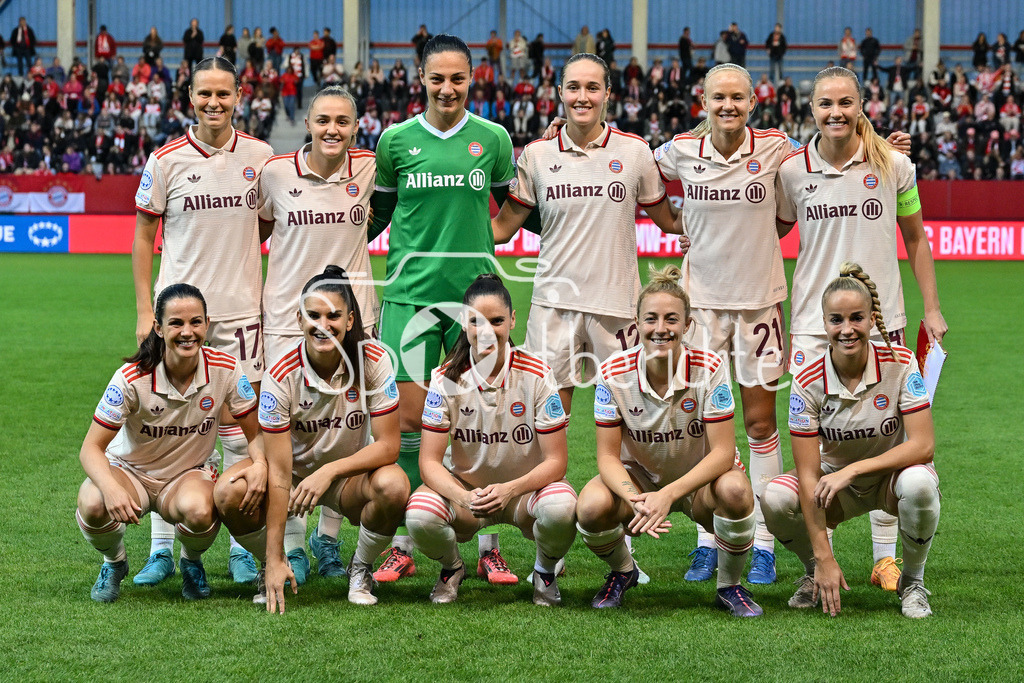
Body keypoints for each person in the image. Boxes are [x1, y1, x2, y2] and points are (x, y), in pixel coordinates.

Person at [776, 66, 946, 590]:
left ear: (861, 104)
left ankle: (884, 558)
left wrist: (932, 308)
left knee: (885, 434)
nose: (835, 113)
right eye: (825, 104)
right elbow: (770, 232)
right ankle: (816, 562)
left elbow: (916, 240)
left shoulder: (893, 165)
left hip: (883, 322)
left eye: (845, 102)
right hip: (811, 324)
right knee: (813, 440)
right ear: (812, 111)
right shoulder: (790, 171)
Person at [369, 34, 519, 586]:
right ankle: (405, 543)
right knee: (410, 423)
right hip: (409, 298)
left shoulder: (493, 139)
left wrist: (484, 243)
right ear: (421, 78)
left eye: (457, 78)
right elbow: (376, 217)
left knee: (482, 421)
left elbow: (513, 209)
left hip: (474, 302)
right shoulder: (395, 141)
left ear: (472, 78)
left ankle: (489, 545)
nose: (447, 88)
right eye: (438, 78)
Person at [133, 57, 273, 588]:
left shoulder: (259, 157)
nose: (214, 103)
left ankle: (239, 545)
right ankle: (161, 549)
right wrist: (147, 311)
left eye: (224, 93)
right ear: (187, 97)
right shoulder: (165, 160)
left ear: (241, 95)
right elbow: (144, 236)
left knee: (240, 430)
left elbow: (264, 222)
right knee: (165, 427)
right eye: (203, 94)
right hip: (177, 319)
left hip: (240, 317)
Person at [654, 62, 793, 585]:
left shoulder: (777, 146)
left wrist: (887, 147)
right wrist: (678, 227)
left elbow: (790, 207)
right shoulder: (680, 151)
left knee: (759, 425)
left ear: (753, 102)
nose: (728, 106)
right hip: (701, 307)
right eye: (718, 97)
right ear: (704, 101)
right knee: (702, 427)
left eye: (737, 97)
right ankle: (707, 540)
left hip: (759, 305)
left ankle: (763, 542)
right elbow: (633, 170)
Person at [493, 52, 679, 425]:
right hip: (553, 306)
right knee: (544, 419)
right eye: (574, 87)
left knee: (635, 420)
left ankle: (630, 485)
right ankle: (548, 486)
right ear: (559, 92)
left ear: (608, 93)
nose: (582, 97)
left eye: (592, 87)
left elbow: (669, 221)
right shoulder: (537, 155)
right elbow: (500, 230)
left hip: (618, 307)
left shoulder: (634, 151)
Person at [217, 266, 407, 610]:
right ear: (300, 319)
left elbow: (388, 446)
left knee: (394, 485)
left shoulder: (374, 359)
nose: (324, 325)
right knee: (229, 491)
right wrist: (274, 556)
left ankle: (360, 568)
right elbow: (277, 470)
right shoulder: (281, 374)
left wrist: (330, 472)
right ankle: (271, 565)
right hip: (290, 477)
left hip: (344, 480)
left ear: (350, 320)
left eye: (334, 315)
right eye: (314, 315)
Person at [578, 265, 761, 616]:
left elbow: (723, 453)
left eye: (671, 320)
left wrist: (669, 495)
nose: (660, 328)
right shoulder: (613, 372)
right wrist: (636, 499)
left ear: (687, 326)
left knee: (737, 491)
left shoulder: (709, 367)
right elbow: (607, 457)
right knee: (590, 507)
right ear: (636, 323)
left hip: (701, 480)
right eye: (651, 319)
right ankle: (623, 572)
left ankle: (729, 586)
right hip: (642, 480)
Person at [762, 263, 939, 618]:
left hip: (890, 479)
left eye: (856, 318)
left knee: (920, 484)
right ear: (824, 323)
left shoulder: (900, 363)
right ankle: (814, 573)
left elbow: (923, 445)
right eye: (836, 320)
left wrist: (854, 469)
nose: (846, 330)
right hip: (834, 488)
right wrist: (824, 557)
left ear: (873, 319)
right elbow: (809, 474)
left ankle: (913, 581)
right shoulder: (807, 380)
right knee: (776, 497)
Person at [257, 90, 381, 585]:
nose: (332, 129)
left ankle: (328, 539)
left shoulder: (372, 167)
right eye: (323, 120)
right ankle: (290, 543)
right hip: (289, 321)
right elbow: (257, 230)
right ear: (307, 122)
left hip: (353, 321)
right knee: (291, 430)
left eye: (343, 122)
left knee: (350, 427)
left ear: (356, 126)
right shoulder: (275, 173)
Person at [77, 284, 262, 602]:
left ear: (207, 324)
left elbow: (255, 433)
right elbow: (90, 447)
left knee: (200, 510)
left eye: (195, 322)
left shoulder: (227, 369)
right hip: (130, 472)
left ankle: (191, 562)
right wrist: (110, 487)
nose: (187, 332)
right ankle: (114, 562)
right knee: (93, 502)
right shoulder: (131, 377)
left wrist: (259, 463)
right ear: (159, 328)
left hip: (187, 475)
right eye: (176, 323)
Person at [406, 274, 575, 605]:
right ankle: (452, 568)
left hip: (525, 495)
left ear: (513, 320)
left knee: (563, 507)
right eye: (476, 321)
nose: (486, 331)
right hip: (469, 497)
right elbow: (428, 462)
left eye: (497, 321)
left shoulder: (538, 374)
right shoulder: (445, 379)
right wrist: (465, 498)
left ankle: (544, 571)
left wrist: (510, 489)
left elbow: (557, 461)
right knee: (420, 514)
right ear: (464, 323)